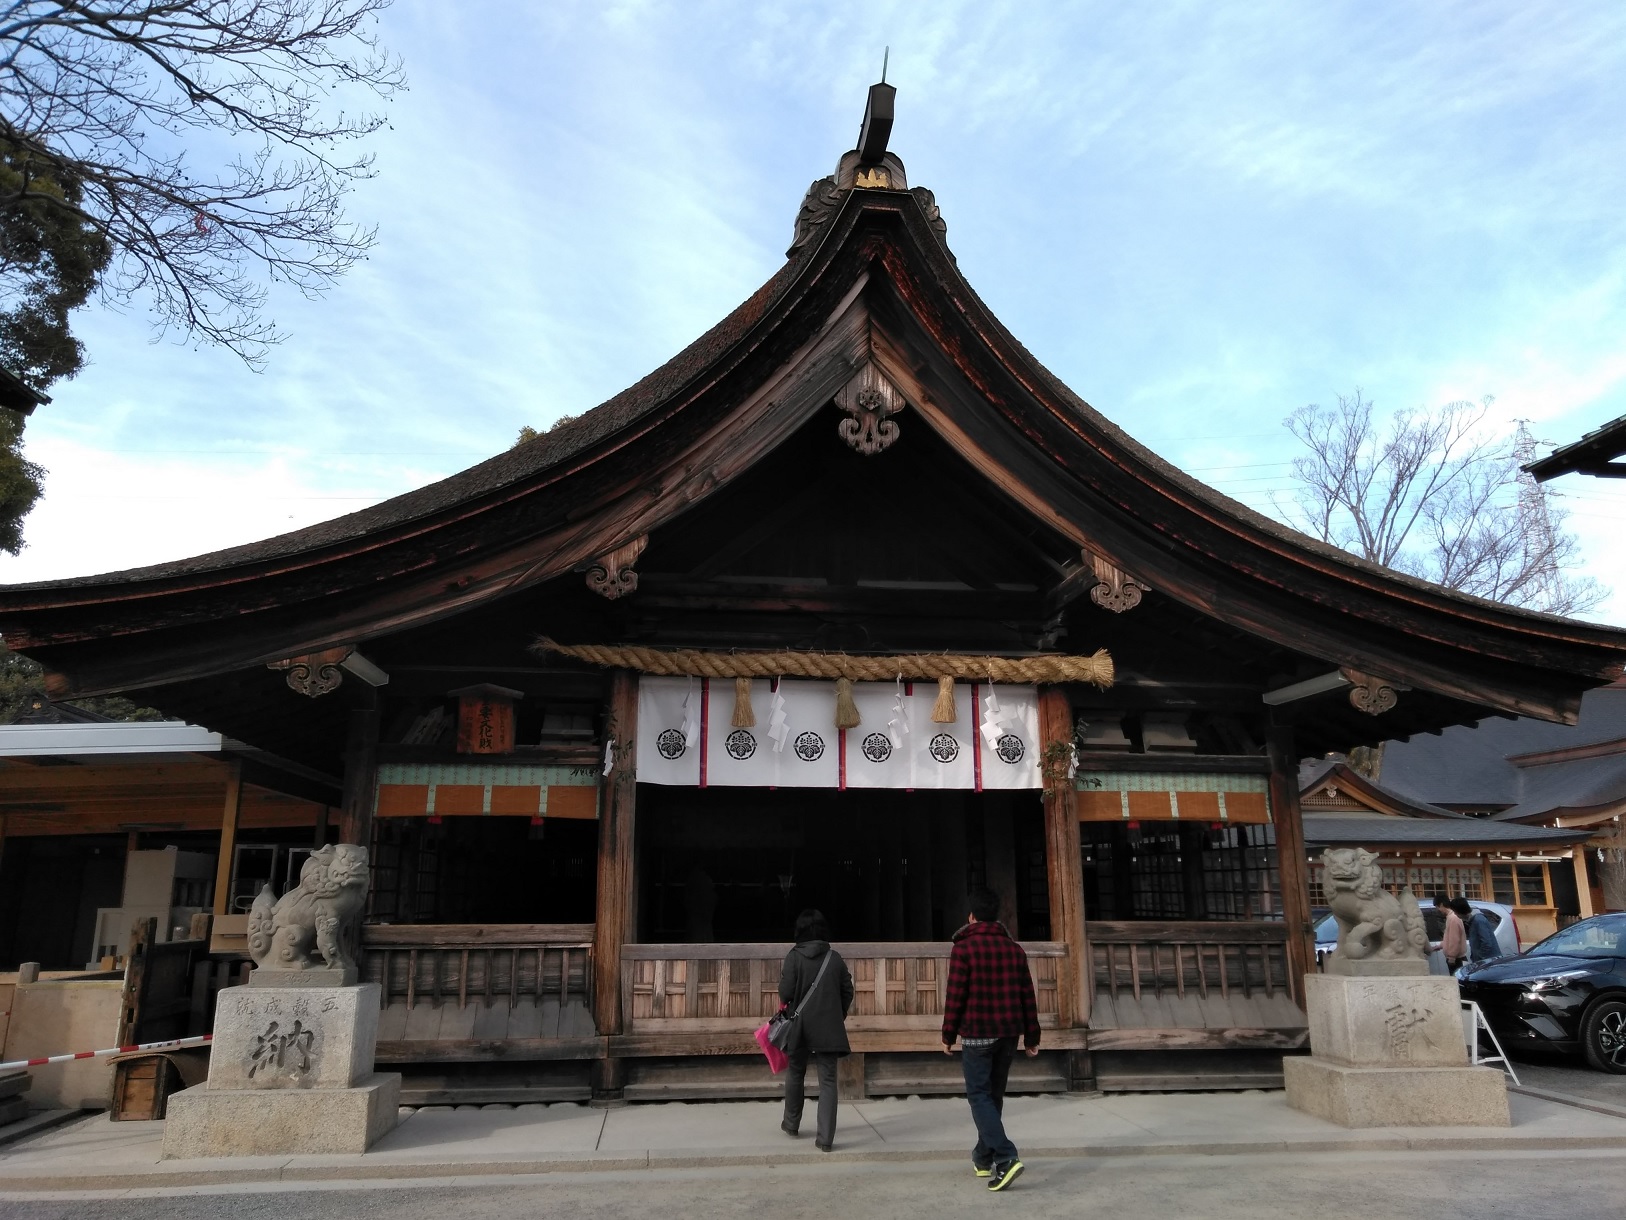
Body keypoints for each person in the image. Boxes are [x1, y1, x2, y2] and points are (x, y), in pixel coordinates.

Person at [941, 886, 1040, 1193]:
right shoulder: (1015, 950)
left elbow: (955, 996)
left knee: (979, 1096)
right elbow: (1028, 996)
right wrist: (1032, 1036)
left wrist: (948, 1035)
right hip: (1009, 1034)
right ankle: (983, 1157)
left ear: (971, 917)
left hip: (978, 1034)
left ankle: (1006, 1157)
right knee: (993, 1096)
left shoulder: (964, 950)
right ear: (996, 916)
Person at [777, 908, 854, 1152]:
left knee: (795, 1072)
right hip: (828, 1026)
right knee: (829, 1081)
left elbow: (785, 993)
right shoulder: (834, 958)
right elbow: (847, 991)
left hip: (799, 1025)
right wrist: (837, 1014)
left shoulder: (793, 957)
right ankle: (825, 1139)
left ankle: (791, 1123)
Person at [1452, 896, 1501, 963]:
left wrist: (1480, 957)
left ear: (1460, 911)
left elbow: (1486, 943)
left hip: (1488, 961)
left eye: (1455, 912)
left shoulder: (1478, 920)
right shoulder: (1471, 921)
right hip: (1483, 961)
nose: (1455, 914)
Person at [1435, 895, 1466, 974]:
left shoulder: (1453, 918)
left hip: (1456, 959)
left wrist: (1452, 957)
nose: (1438, 910)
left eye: (1437, 907)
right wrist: (1439, 946)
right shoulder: (1450, 917)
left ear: (1441, 904)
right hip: (1456, 958)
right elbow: (1448, 937)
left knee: (1457, 982)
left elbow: (1455, 940)